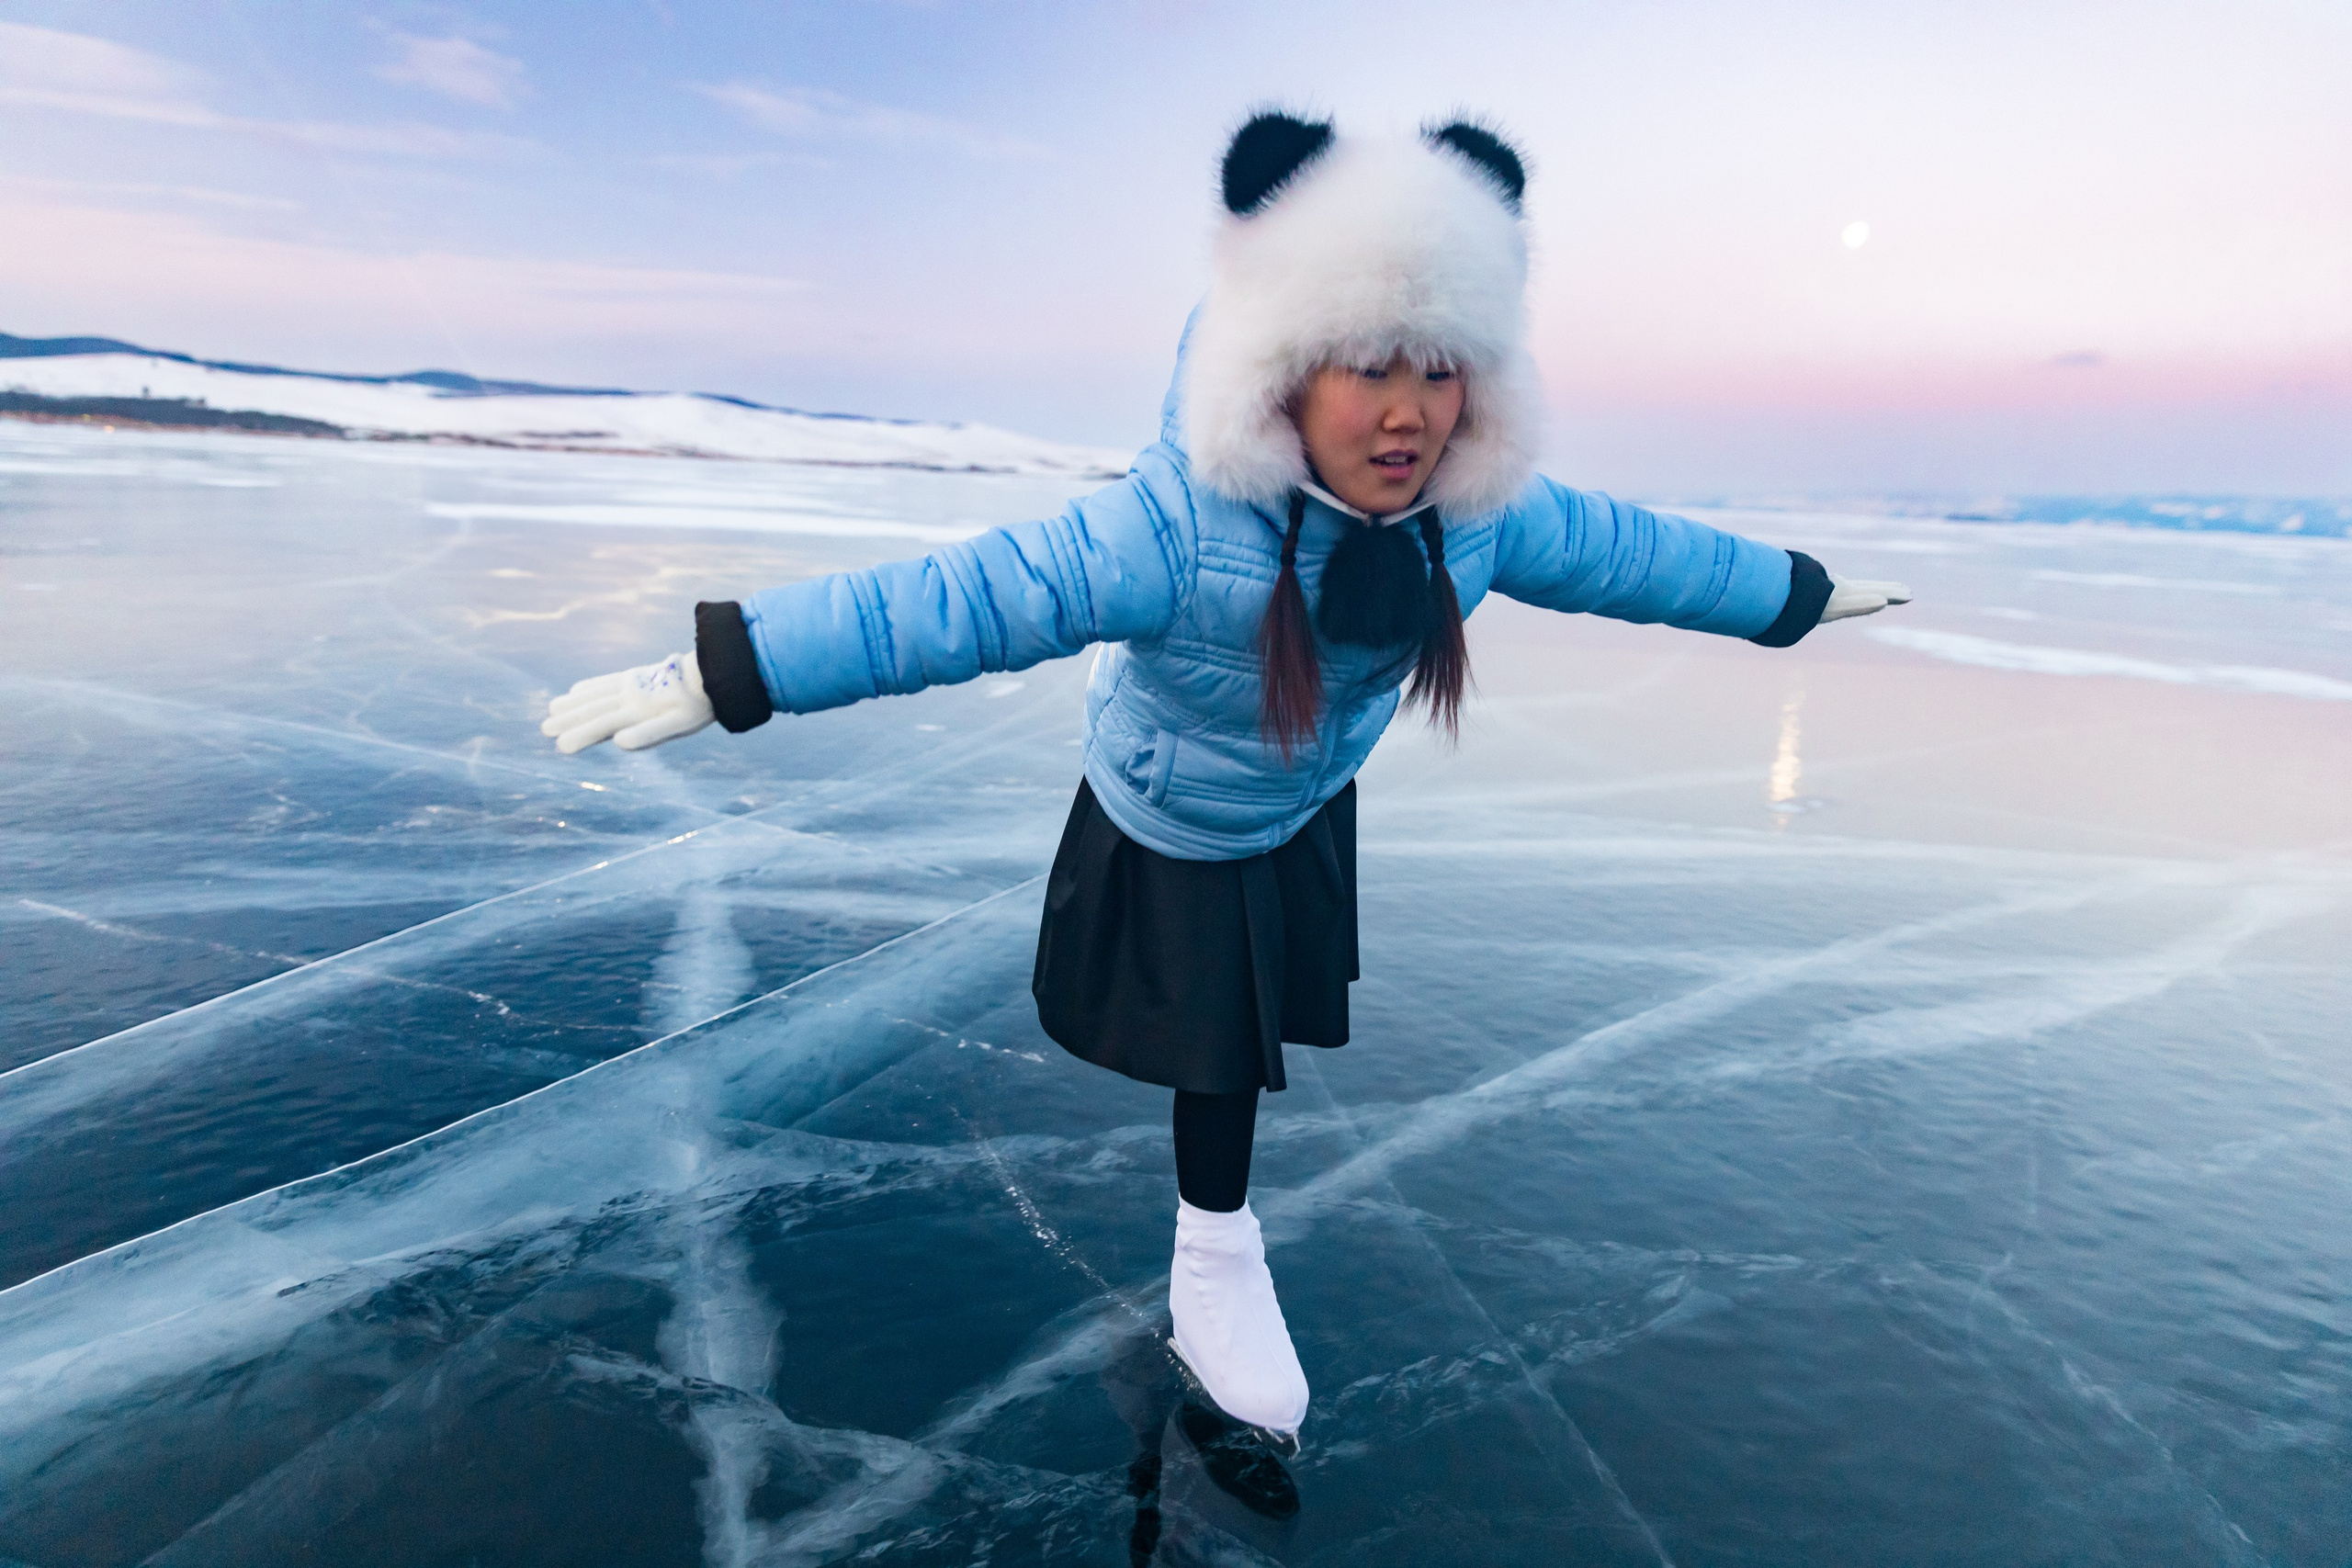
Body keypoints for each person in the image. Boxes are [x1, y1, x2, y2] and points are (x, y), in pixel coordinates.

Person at [540, 111, 1909, 1450]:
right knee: (1215, 1053)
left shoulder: (1479, 518)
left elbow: (1641, 555)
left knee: (1252, 1030)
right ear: (1281, 370)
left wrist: (1793, 595)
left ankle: (1215, 1250)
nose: (1406, 414)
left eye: (1439, 371)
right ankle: (1217, 1256)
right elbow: (955, 601)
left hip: (1301, 796)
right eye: (1365, 365)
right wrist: (734, 668)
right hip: (1174, 806)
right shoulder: (1175, 527)